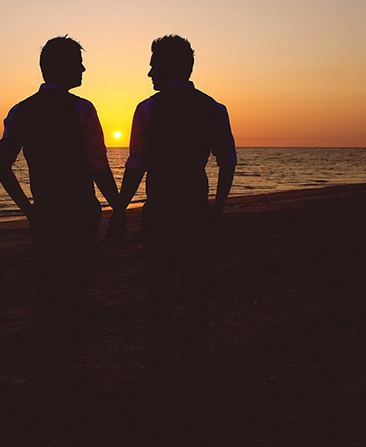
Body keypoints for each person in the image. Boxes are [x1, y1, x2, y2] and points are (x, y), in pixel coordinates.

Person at [0, 36, 120, 390]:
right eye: (78, 63)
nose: (83, 68)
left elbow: (1, 165)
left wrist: (29, 209)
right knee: (74, 286)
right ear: (63, 66)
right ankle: (66, 363)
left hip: (46, 211)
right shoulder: (82, 109)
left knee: (49, 285)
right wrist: (119, 206)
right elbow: (97, 166)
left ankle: (45, 367)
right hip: (79, 210)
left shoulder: (21, 111)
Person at [111, 34, 237, 378]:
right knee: (196, 288)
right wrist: (219, 207)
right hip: (196, 207)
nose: (149, 73)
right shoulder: (213, 108)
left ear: (167, 67)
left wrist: (120, 208)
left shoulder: (148, 108)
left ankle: (156, 360)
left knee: (159, 288)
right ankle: (193, 358)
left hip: (161, 209)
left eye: (153, 65)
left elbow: (137, 163)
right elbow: (228, 161)